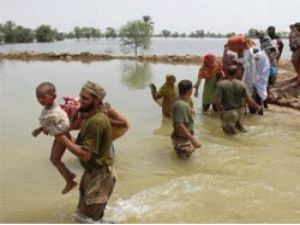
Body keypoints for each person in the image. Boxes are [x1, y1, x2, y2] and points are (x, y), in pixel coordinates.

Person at [55, 81, 119, 223]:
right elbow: (82, 145)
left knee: (87, 219)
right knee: (84, 217)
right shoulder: (90, 119)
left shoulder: (96, 122)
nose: (80, 102)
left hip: (100, 177)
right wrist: (65, 135)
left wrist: (60, 137)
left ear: (97, 101)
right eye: (80, 97)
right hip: (92, 173)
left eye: (85, 99)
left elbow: (85, 154)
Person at [31, 82, 77, 194]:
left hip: (62, 136)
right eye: (38, 97)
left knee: (55, 160)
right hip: (59, 136)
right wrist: (40, 130)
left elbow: (66, 125)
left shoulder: (55, 111)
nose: (40, 100)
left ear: (54, 97)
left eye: (43, 97)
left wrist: (51, 131)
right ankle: (69, 174)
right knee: (54, 159)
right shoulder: (48, 107)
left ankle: (70, 182)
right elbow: (48, 123)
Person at [215, 65, 262, 134]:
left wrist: (220, 112)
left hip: (229, 113)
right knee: (241, 130)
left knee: (229, 135)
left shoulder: (221, 84)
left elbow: (218, 102)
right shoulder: (242, 84)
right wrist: (258, 107)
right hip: (240, 112)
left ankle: (237, 143)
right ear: (236, 73)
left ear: (227, 73)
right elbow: (249, 100)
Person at [171, 79, 201, 159]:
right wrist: (193, 140)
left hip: (181, 138)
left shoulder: (181, 102)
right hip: (182, 141)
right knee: (183, 164)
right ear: (190, 91)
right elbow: (180, 125)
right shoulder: (181, 105)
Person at [249, 49, 271, 115]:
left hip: (258, 84)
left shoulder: (262, 62)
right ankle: (255, 114)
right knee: (255, 99)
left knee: (257, 99)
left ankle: (260, 114)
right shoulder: (263, 62)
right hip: (258, 84)